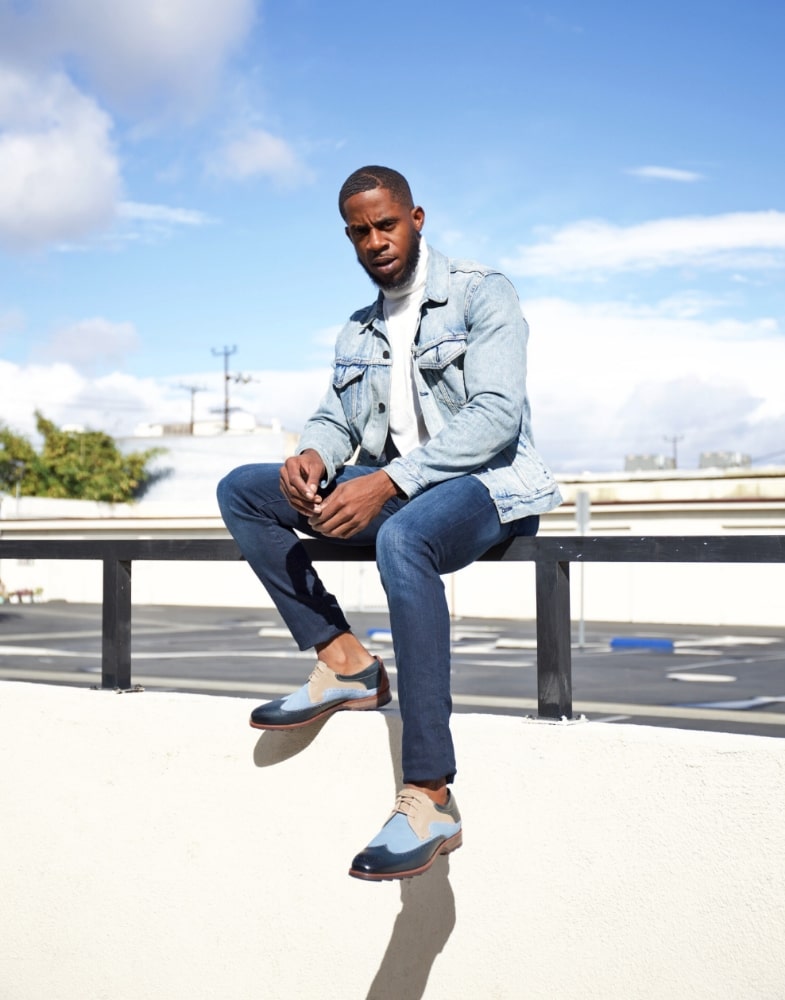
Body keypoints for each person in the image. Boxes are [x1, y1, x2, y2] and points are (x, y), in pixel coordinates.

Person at [217, 165, 562, 881]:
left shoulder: (479, 292)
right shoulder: (358, 329)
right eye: (358, 231)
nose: (374, 241)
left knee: (404, 539)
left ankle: (431, 795)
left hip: (484, 486)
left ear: (416, 218)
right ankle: (345, 661)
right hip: (395, 487)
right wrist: (312, 454)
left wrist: (387, 482)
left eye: (385, 224)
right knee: (244, 491)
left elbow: (496, 416)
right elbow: (335, 418)